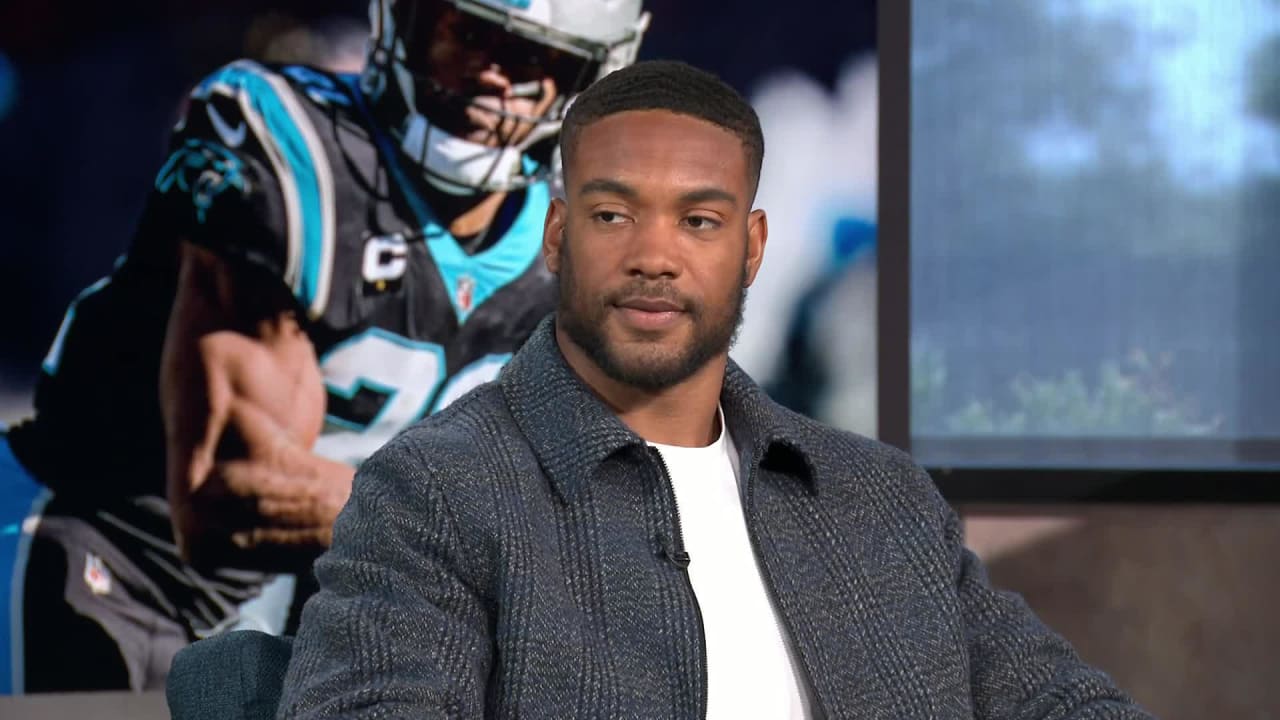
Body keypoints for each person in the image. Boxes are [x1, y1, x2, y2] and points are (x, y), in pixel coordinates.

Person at [278, 60, 1154, 719]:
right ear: (556, 239)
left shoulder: (880, 499)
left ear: (751, 246)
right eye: (614, 215)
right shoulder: (431, 494)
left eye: (698, 221)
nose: (656, 255)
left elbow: (1054, 699)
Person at [0, 0, 649, 694]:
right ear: (405, 22)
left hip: (280, 614)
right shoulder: (292, 145)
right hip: (102, 556)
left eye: (532, 58)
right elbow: (226, 490)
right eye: (466, 34)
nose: (494, 77)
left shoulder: (582, 248)